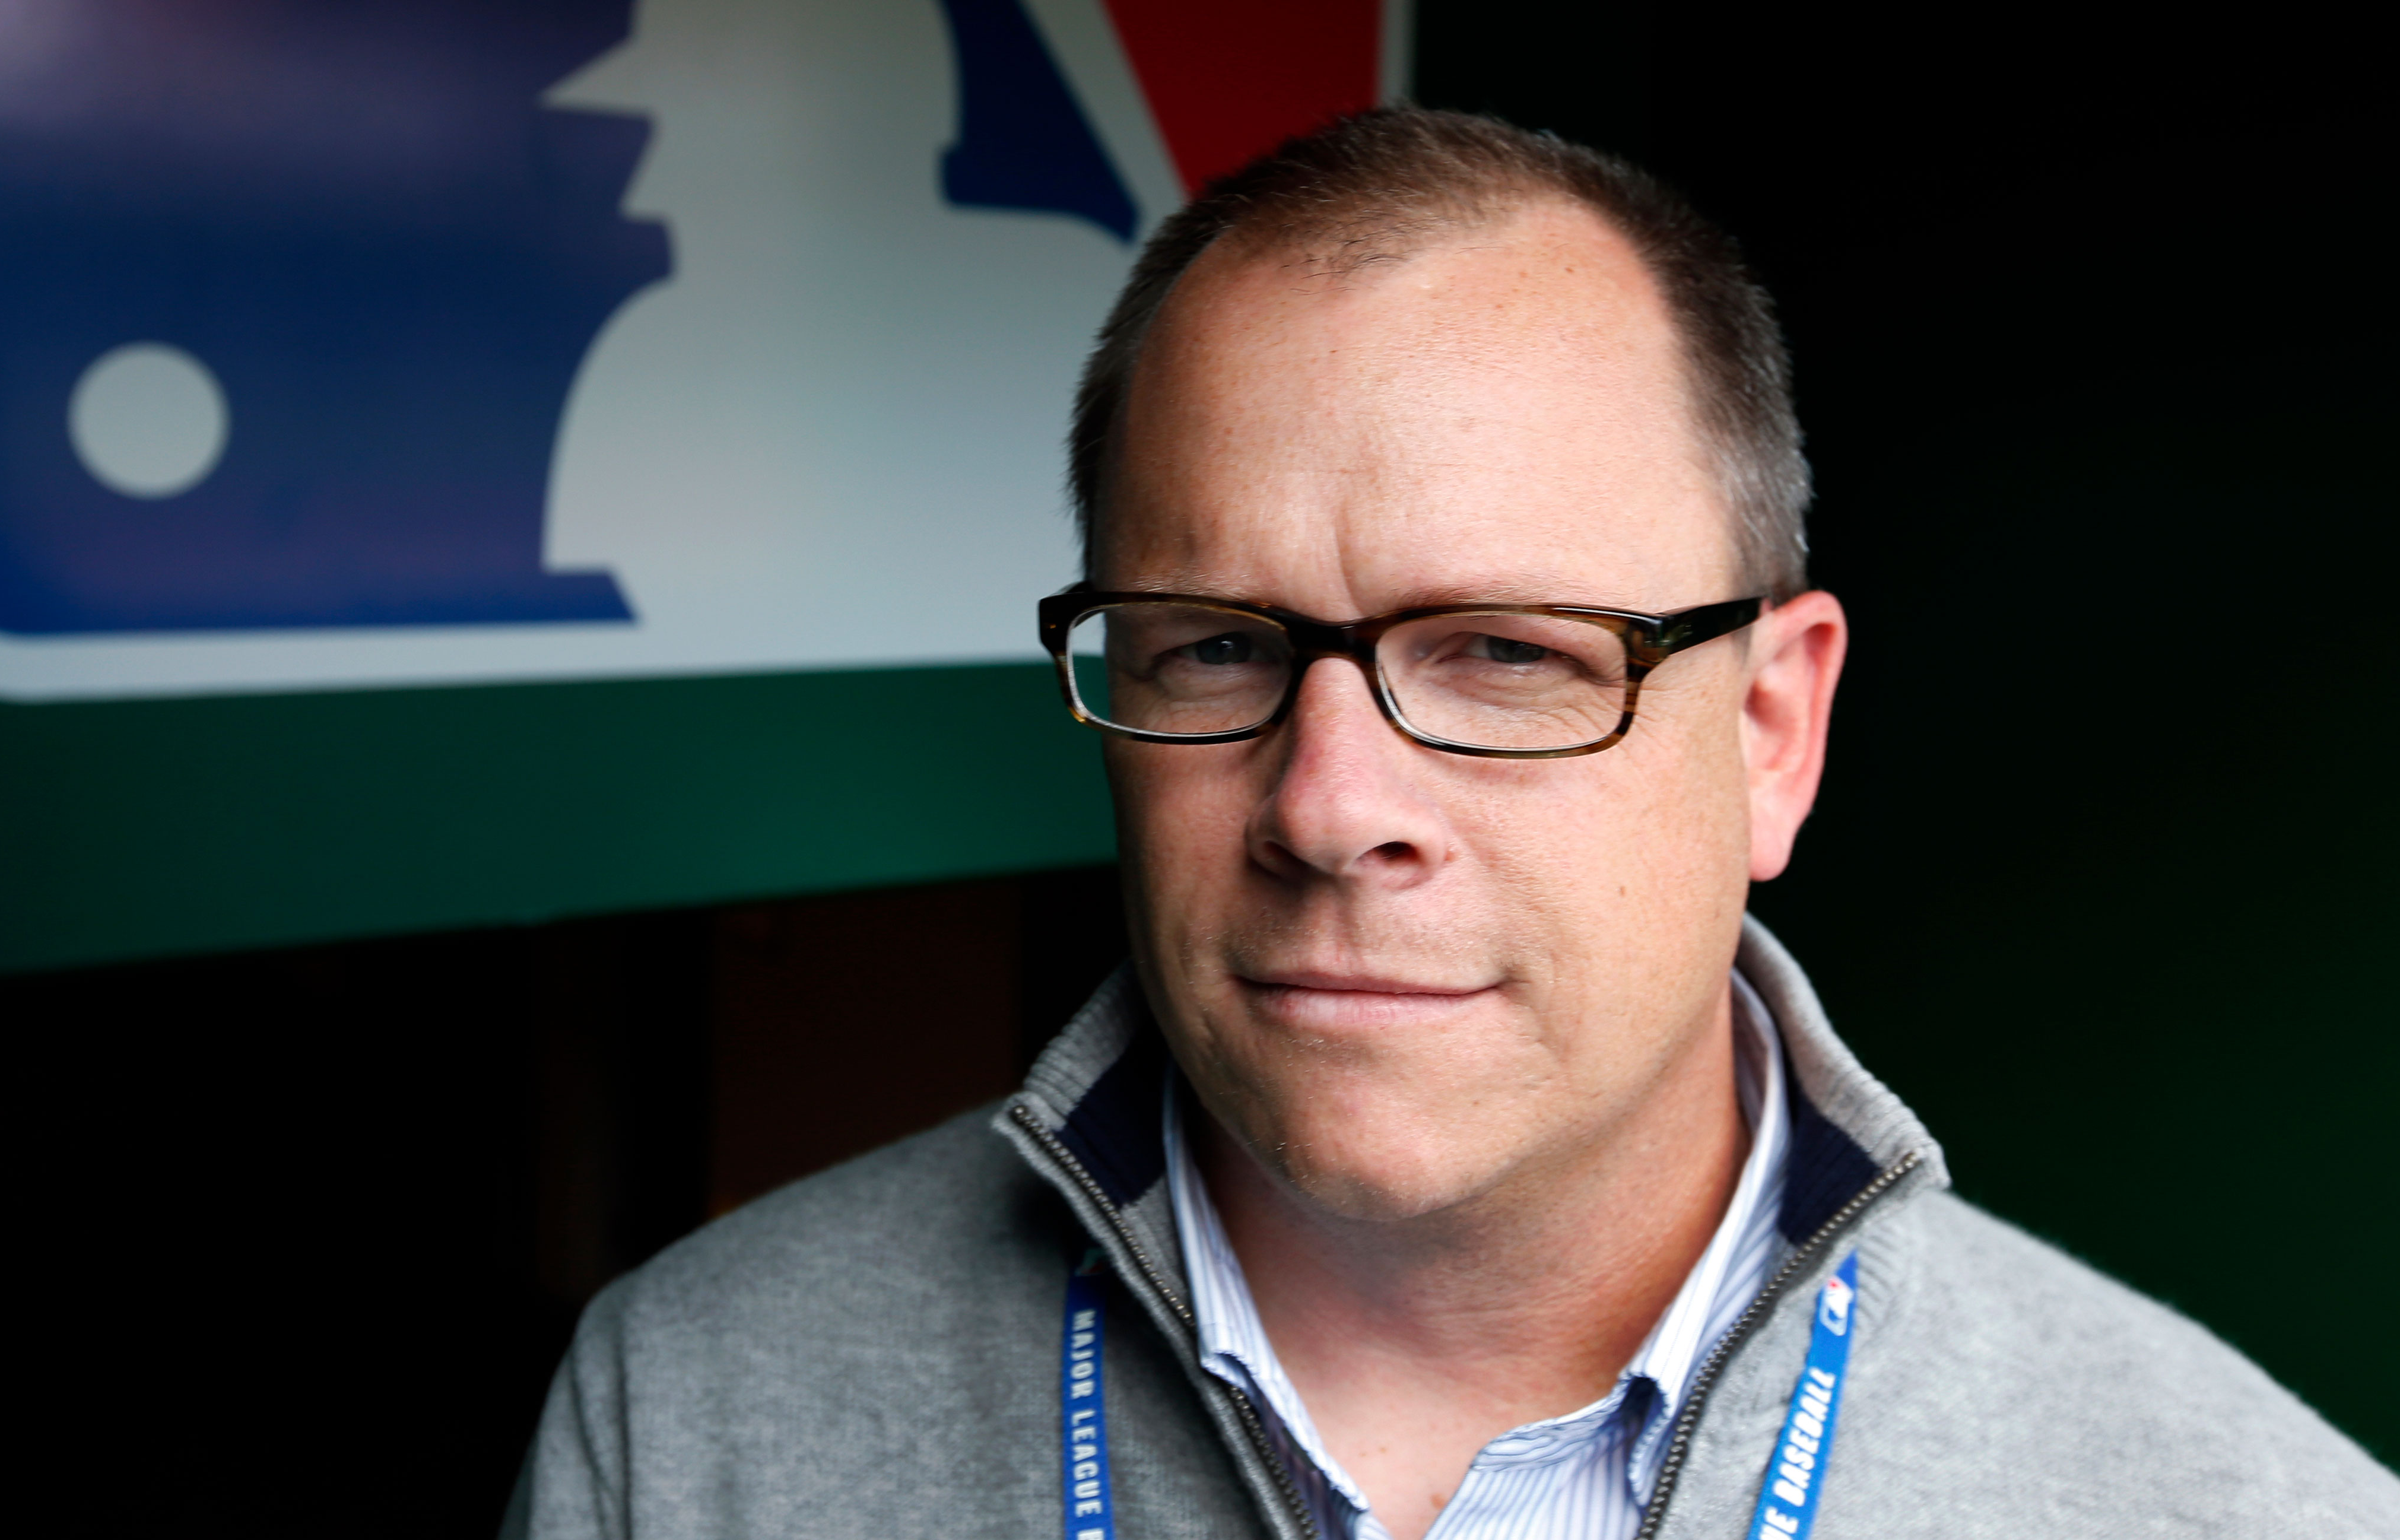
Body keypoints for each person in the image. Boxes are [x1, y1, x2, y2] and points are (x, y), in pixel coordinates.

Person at [503, 108, 2397, 1539]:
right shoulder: (697, 1423)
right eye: (1218, 646)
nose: (1331, 806)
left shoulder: (2242, 1508)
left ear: (1770, 731)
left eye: (1503, 653)